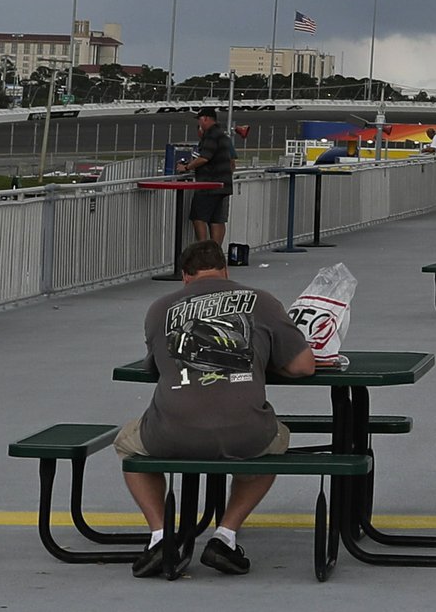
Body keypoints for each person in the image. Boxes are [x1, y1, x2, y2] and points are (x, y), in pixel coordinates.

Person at [120, 238, 319, 577]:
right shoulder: (263, 302)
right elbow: (304, 367)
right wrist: (268, 363)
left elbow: (153, 367)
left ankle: (159, 536)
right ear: (226, 271)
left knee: (128, 447)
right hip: (247, 434)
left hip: (171, 434)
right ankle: (225, 536)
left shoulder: (159, 309)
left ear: (185, 277)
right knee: (273, 445)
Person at [185, 107, 235, 248]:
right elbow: (232, 162)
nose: (199, 124)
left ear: (205, 118)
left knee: (198, 217)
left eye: (200, 119)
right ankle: (216, 254)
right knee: (217, 220)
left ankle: (203, 251)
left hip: (208, 185)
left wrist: (187, 167)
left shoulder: (211, 135)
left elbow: (204, 158)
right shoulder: (223, 136)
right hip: (224, 185)